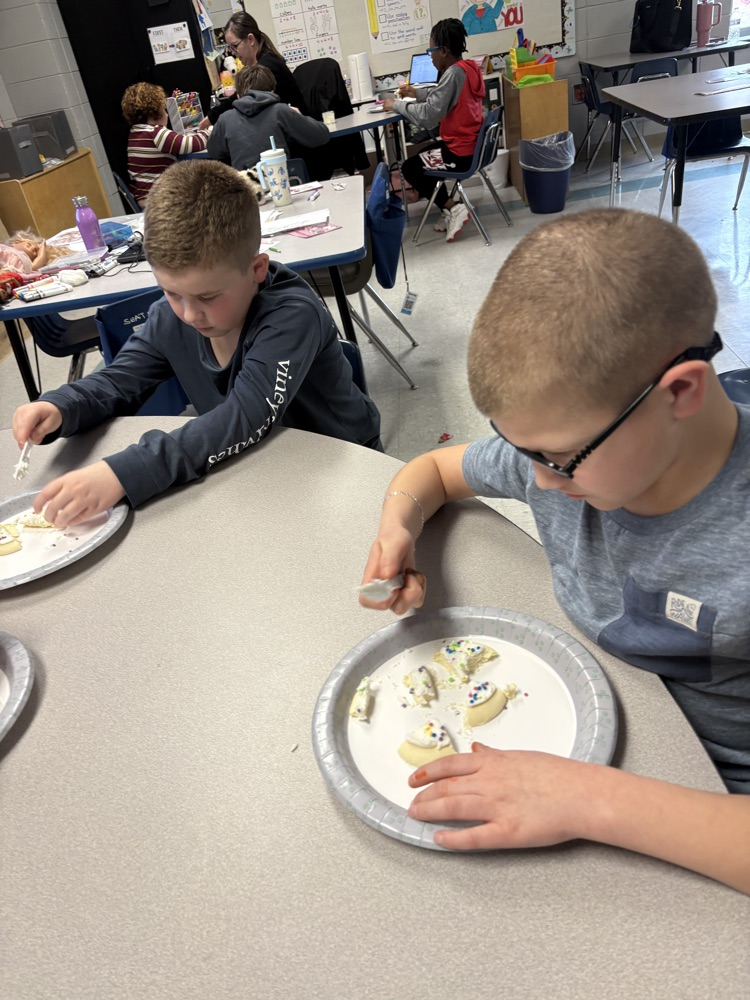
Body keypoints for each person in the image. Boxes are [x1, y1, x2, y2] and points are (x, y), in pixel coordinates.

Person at [358, 208, 750, 895]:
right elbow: (436, 472)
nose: (536, 481)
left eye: (560, 459)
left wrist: (583, 799)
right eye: (520, 452)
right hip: (614, 743)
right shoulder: (569, 448)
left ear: (680, 392)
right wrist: (399, 525)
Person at [12, 160, 382, 528]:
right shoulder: (168, 317)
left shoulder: (293, 316)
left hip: (345, 470)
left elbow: (244, 416)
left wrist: (122, 474)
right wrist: (60, 405)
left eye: (207, 297)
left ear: (256, 269)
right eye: (171, 292)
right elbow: (117, 382)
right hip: (255, 472)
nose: (189, 314)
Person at [383, 19, 485, 243]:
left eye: (431, 50)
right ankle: (449, 210)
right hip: (471, 146)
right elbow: (441, 94)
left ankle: (453, 208)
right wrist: (415, 94)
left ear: (444, 50)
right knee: (422, 157)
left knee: (410, 167)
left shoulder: (452, 74)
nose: (430, 56)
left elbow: (428, 116)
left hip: (459, 153)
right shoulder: (467, 68)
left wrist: (396, 105)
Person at [207, 64, 330, 172]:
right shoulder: (281, 111)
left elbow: (213, 151)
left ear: (238, 96)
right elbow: (321, 135)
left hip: (246, 190)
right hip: (283, 184)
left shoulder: (225, 119)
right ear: (272, 90)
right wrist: (298, 115)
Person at [205, 12, 308, 127]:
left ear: (251, 39)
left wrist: (213, 117)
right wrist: (212, 116)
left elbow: (244, 101)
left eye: (235, 46)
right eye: (230, 48)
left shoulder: (268, 66)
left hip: (295, 130)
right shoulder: (261, 62)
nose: (233, 52)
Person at [122, 82, 210, 205]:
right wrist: (209, 131)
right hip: (160, 200)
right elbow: (194, 144)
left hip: (144, 196)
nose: (167, 114)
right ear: (155, 112)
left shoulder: (136, 133)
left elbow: (175, 141)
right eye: (164, 109)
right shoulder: (156, 133)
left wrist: (184, 138)